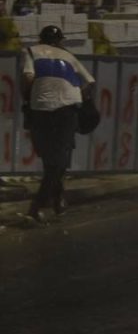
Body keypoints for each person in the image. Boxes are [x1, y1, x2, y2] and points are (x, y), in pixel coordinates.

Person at [20, 25, 96, 223]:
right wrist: (78, 94)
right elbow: (90, 82)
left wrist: (29, 97)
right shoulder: (68, 56)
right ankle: (46, 202)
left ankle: (50, 202)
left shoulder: (30, 51)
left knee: (49, 157)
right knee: (60, 157)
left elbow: (28, 77)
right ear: (60, 41)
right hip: (66, 109)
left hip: (40, 109)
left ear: (40, 39)